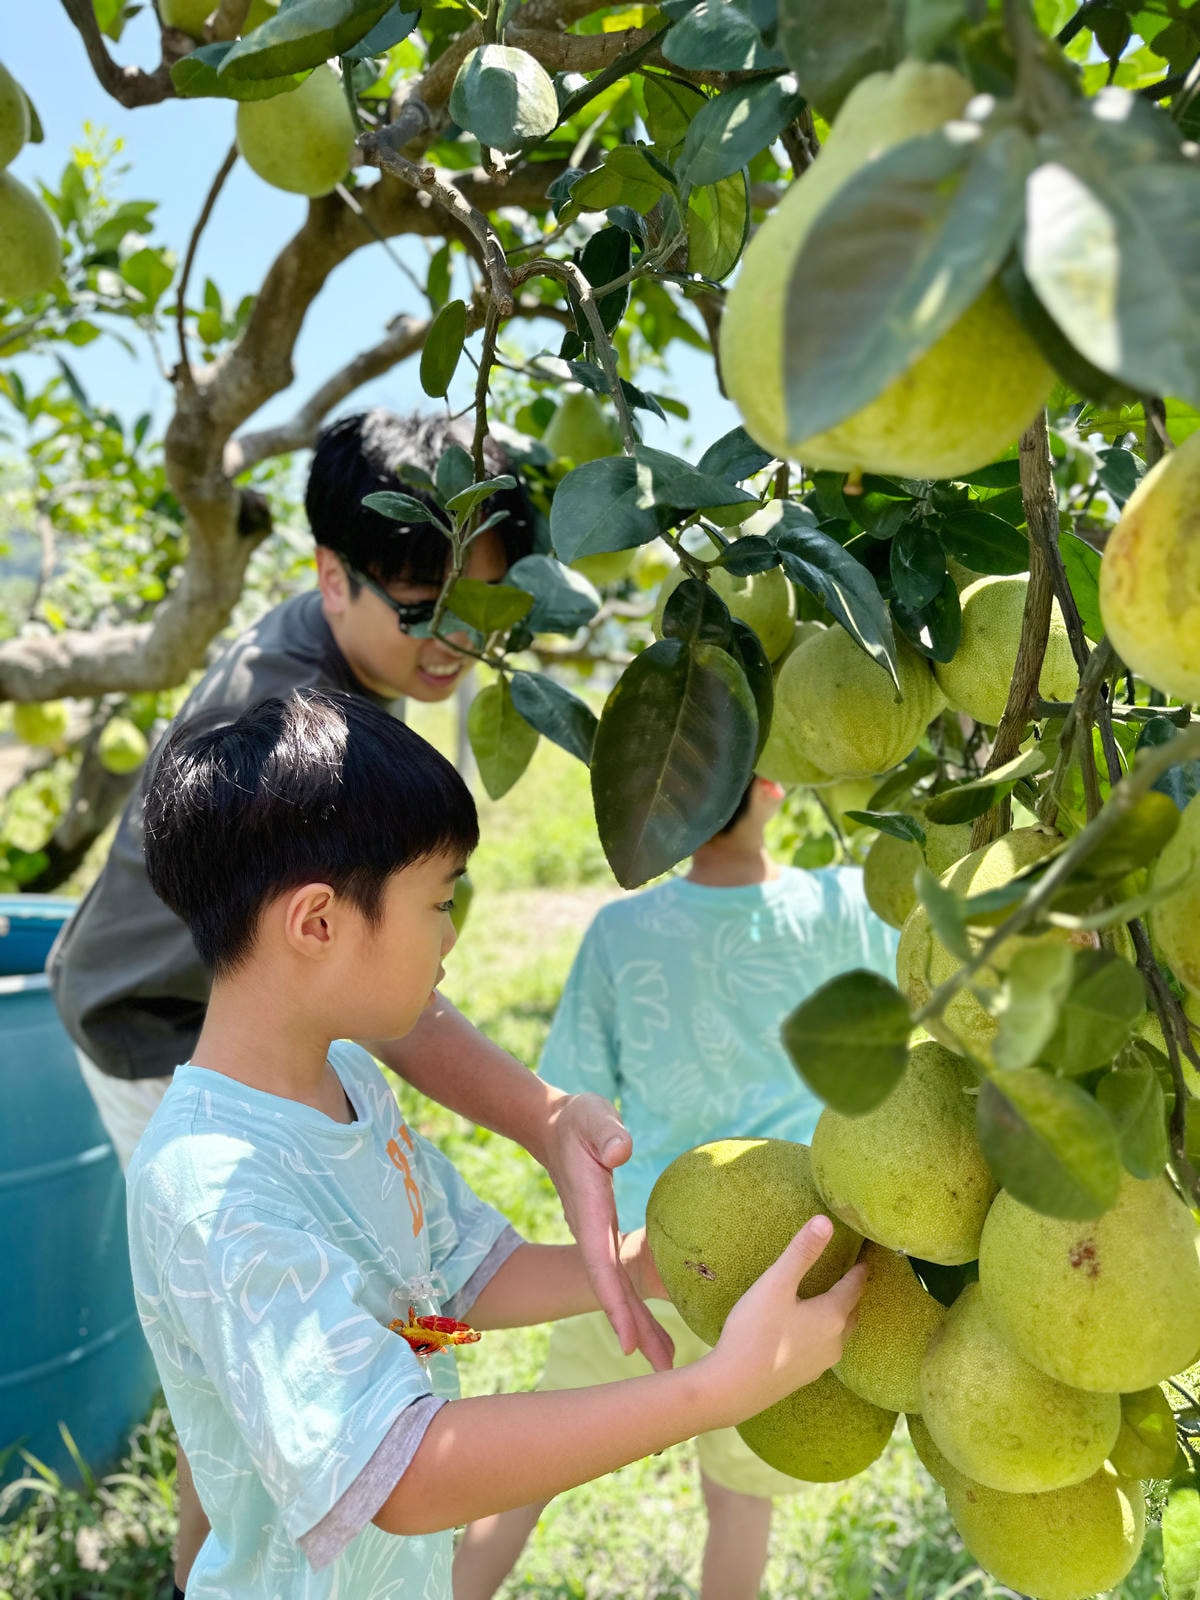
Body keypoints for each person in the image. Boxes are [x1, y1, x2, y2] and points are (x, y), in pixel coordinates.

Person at [46, 410, 668, 1592]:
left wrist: (614, 1222)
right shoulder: (282, 716)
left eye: (479, 606)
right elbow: (373, 990)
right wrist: (539, 1117)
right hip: (150, 1019)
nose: (452, 641)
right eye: (421, 605)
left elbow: (372, 1010)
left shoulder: (354, 703)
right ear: (331, 575)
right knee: (247, 1356)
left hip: (255, 1012)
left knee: (286, 1344)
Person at [127, 689, 867, 1600]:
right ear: (318, 923)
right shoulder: (214, 1190)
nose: (450, 939)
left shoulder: (347, 1084)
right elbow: (397, 1474)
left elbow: (467, 1269)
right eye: (438, 902)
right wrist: (713, 1393)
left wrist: (649, 1265)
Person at [454, 775, 900, 1600]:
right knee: (738, 1499)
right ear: (774, 784)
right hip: (793, 1264)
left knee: (535, 1462)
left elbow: (575, 1088)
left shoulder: (625, 928)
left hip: (646, 1254)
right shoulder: (844, 907)